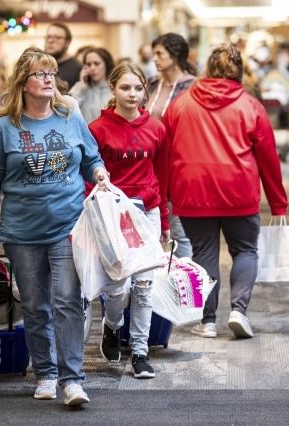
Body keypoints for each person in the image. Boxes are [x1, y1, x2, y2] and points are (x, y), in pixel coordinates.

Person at [0, 48, 109, 406]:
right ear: (23, 82)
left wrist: (98, 172)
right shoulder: (4, 127)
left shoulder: (70, 116)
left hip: (67, 225)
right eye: (40, 74)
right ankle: (46, 373)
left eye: (51, 73)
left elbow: (90, 157)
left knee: (68, 300)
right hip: (22, 231)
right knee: (36, 305)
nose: (49, 79)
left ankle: (72, 380)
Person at [163, 42, 288, 339]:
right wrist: (278, 203)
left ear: (207, 68)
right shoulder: (250, 105)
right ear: (240, 71)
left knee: (204, 253)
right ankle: (238, 311)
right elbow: (268, 156)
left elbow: (165, 150)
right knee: (245, 250)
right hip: (238, 190)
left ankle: (207, 322)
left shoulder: (181, 103)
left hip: (192, 190)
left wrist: (164, 194)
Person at [88, 61, 170, 378]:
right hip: (114, 214)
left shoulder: (157, 129)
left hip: (146, 210)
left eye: (138, 88)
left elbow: (161, 177)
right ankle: (112, 326)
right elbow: (90, 178)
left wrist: (163, 221)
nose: (132, 94)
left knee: (145, 285)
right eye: (125, 87)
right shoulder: (98, 129)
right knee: (119, 286)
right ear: (112, 90)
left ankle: (139, 352)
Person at [146, 33, 197, 260]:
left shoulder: (192, 86)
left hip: (178, 160)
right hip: (150, 160)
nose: (154, 58)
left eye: (160, 53)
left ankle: (185, 281)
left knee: (178, 230)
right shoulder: (151, 84)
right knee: (153, 226)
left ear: (175, 56)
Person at [68, 46, 115, 124]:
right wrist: (82, 90)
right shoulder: (79, 86)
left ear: (106, 64)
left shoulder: (115, 88)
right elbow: (66, 111)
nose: (92, 68)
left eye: (96, 64)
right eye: (89, 64)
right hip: (84, 134)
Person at [44, 22, 82, 89]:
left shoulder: (78, 68)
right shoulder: (40, 65)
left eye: (57, 37)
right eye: (48, 36)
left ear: (67, 42)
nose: (50, 40)